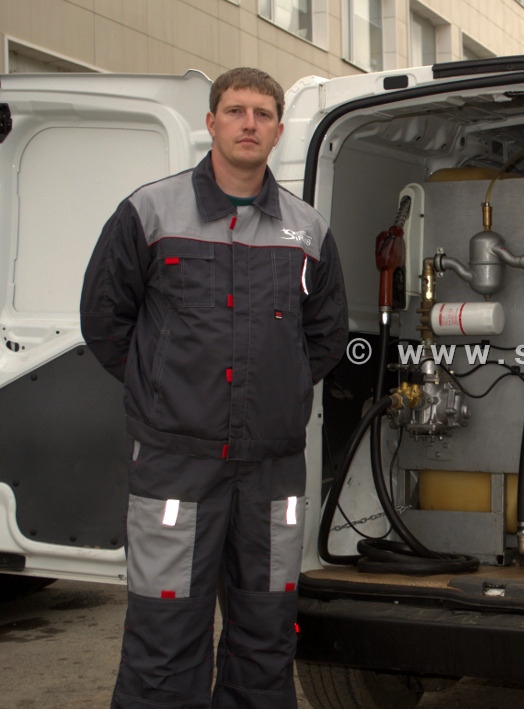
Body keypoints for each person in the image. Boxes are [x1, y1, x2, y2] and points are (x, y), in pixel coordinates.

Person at [80, 67, 348, 708]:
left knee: (266, 632)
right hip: (176, 465)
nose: (249, 124)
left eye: (262, 113)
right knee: (165, 631)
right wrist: (165, 388)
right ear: (211, 123)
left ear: (278, 131)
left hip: (271, 469)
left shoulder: (307, 231)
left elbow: (325, 336)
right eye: (235, 111)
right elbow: (105, 320)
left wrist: (276, 390)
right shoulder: (151, 211)